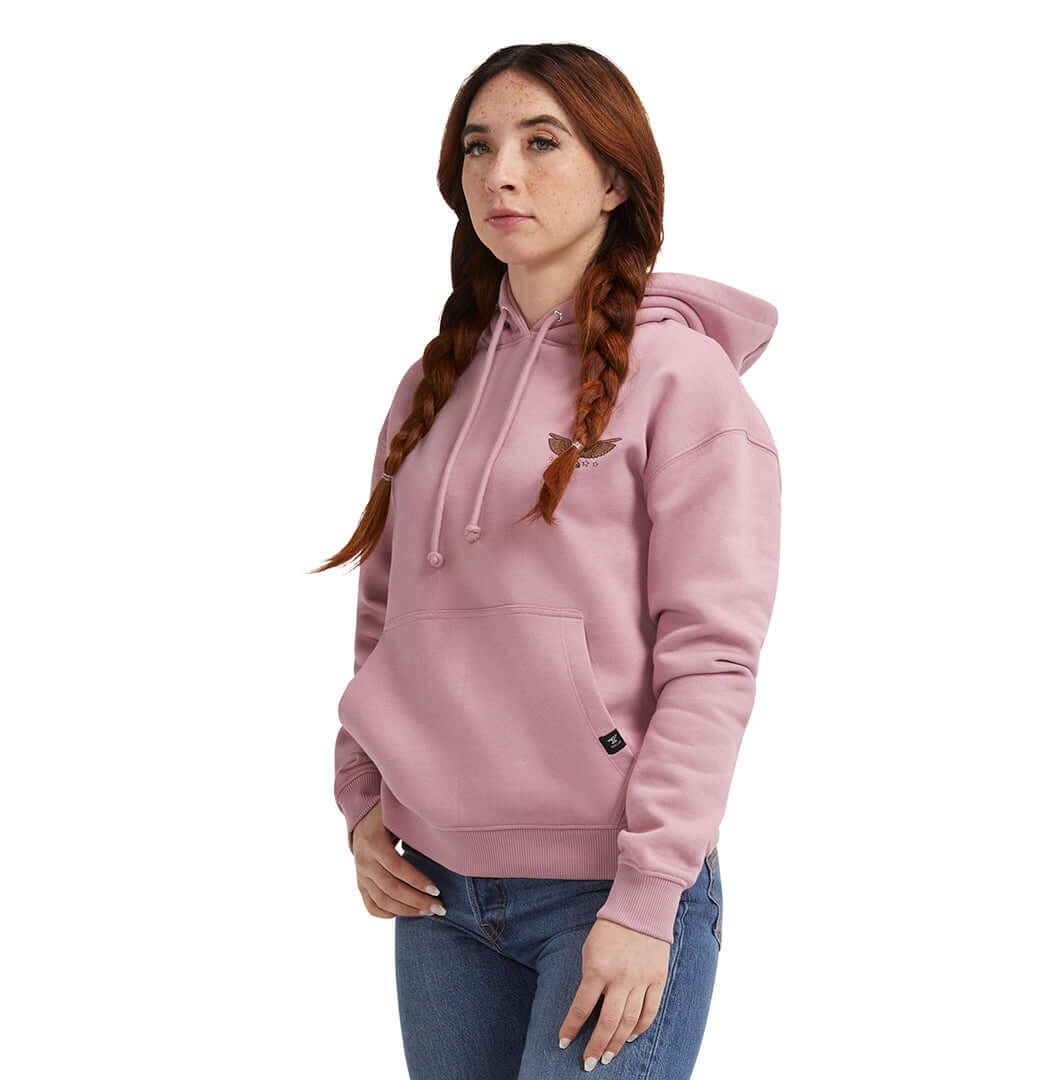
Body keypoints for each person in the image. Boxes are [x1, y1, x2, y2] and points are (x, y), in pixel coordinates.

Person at [312, 43, 782, 1079]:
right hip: (438, 891)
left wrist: (649, 897)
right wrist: (362, 801)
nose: (501, 175)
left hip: (607, 891)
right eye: (479, 148)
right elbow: (386, 614)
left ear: (615, 179)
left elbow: (712, 657)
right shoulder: (433, 383)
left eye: (540, 143)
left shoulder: (683, 381)